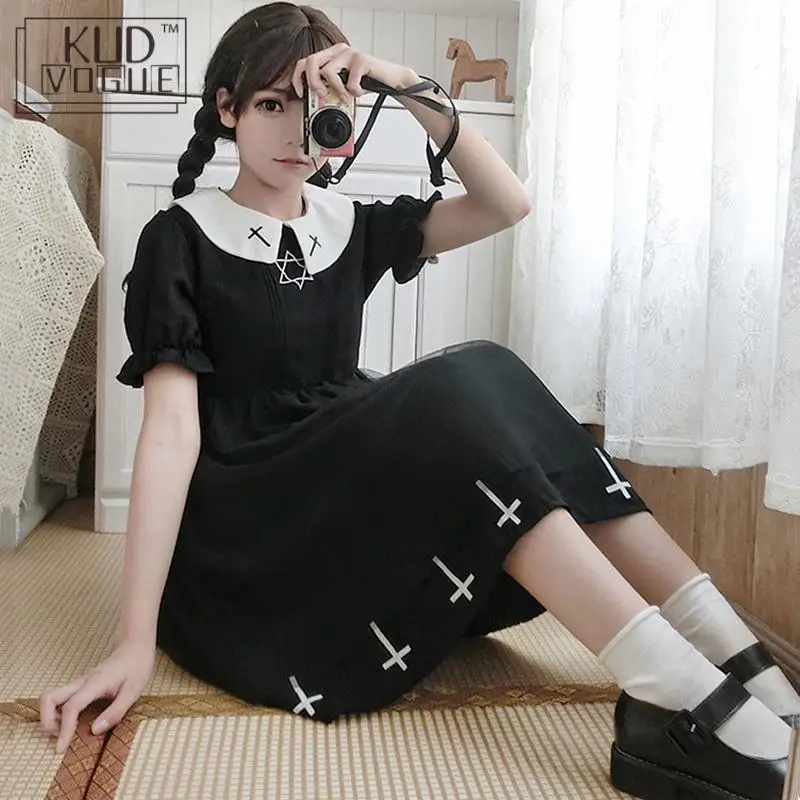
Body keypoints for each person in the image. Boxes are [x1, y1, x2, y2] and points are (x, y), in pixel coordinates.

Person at [39, 3, 798, 798]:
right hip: (252, 516)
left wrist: (401, 84)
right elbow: (169, 434)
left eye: (316, 105)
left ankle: (725, 652)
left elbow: (508, 204)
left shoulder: (350, 224)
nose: (297, 132)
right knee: (458, 384)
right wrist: (134, 638)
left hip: (337, 482)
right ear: (227, 109)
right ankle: (671, 683)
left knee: (490, 372)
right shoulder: (180, 237)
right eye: (271, 104)